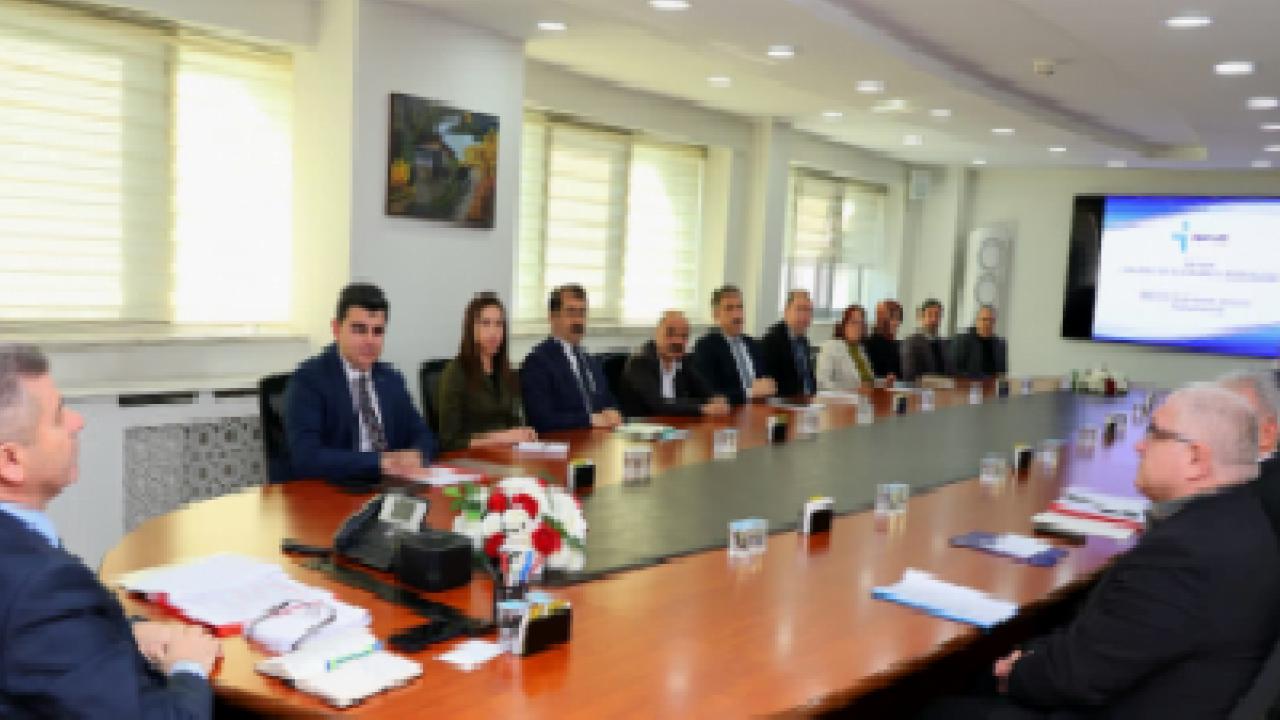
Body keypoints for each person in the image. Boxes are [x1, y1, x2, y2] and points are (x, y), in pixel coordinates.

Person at [926, 385, 1280, 719]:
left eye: (1154, 433)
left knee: (933, 708)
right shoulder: (1240, 518)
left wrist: (1017, 671)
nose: (1139, 446)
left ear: (1195, 459)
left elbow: (1076, 678)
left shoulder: (1185, 554)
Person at [0, 344, 220, 718]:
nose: (77, 422)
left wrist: (125, 633)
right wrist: (188, 667)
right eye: (58, 416)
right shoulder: (40, 589)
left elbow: (39, 645)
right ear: (10, 460)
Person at [285, 283, 436, 484]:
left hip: (392, 487)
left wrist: (417, 454)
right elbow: (306, 458)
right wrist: (380, 462)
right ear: (336, 329)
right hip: (336, 491)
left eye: (378, 331)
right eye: (359, 330)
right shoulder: (309, 380)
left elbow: (424, 435)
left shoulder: (391, 379)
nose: (370, 340)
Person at [436, 294, 537, 452]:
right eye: (485, 323)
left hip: (506, 455)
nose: (493, 332)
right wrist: (501, 437)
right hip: (471, 458)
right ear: (471, 329)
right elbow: (449, 441)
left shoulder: (507, 371)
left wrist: (523, 433)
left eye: (499, 324)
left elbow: (512, 420)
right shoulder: (455, 373)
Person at [520, 284, 622, 433]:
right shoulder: (538, 362)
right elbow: (541, 420)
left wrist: (613, 412)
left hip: (598, 440)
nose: (578, 320)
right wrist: (589, 420)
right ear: (552, 317)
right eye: (571, 312)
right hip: (564, 442)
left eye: (582, 313)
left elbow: (609, 401)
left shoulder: (589, 360)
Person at [620, 310, 730, 417]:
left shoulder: (684, 361)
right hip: (644, 425)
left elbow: (704, 392)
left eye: (684, 336)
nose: (678, 341)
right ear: (656, 334)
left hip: (676, 424)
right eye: (670, 334)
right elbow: (659, 405)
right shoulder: (640, 362)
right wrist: (702, 408)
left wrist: (716, 399)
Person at [691, 285, 777, 405]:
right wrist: (749, 392)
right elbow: (710, 393)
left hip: (760, 408)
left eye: (740, 307)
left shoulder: (753, 344)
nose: (737, 315)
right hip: (730, 412)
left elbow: (764, 380)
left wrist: (769, 385)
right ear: (716, 314)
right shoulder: (706, 346)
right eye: (729, 309)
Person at [760, 290, 816, 397]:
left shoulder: (804, 341)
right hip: (785, 403)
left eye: (809, 310)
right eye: (800, 309)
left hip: (809, 401)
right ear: (786, 312)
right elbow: (771, 386)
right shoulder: (772, 340)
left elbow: (808, 379)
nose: (805, 315)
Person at [815, 304, 875, 390]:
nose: (858, 328)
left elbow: (868, 382)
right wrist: (855, 388)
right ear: (844, 325)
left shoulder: (860, 349)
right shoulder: (830, 347)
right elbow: (822, 383)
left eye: (861, 324)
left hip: (868, 396)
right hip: (845, 397)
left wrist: (884, 382)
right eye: (854, 322)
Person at [951, 304, 1008, 379]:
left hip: (992, 385)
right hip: (968, 384)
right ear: (977, 321)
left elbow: (1002, 374)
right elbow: (954, 370)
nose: (987, 324)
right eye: (984, 319)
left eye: (991, 320)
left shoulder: (1000, 344)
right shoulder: (961, 340)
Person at [900, 298, 949, 381]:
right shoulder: (911, 342)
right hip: (921, 388)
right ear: (922, 317)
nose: (934, 319)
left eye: (937, 315)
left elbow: (950, 371)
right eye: (930, 315)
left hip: (946, 387)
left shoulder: (944, 343)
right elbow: (909, 375)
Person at [862, 299, 903, 380]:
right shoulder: (870, 344)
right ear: (882, 320)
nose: (897, 323)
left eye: (898, 319)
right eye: (893, 319)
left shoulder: (895, 345)